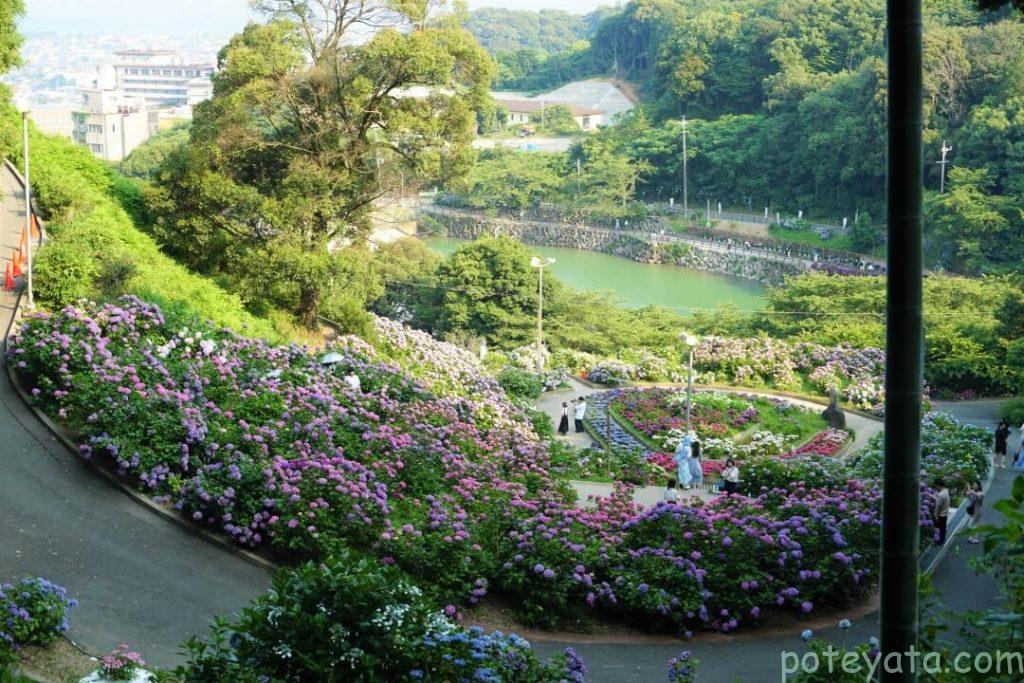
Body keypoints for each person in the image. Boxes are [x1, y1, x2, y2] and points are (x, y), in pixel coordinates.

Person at [934, 479, 950, 546]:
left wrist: (936, 516)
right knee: (943, 528)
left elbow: (939, 506)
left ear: (939, 485)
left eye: (936, 486)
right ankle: (942, 541)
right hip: (945, 513)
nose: (935, 488)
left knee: (938, 528)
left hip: (940, 514)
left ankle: (939, 541)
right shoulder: (946, 491)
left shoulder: (941, 494)